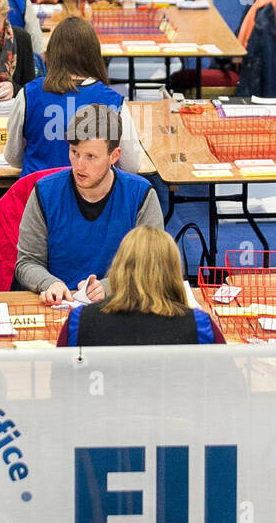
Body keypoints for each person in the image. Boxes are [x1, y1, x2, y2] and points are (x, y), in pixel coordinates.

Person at [13, 103, 164, 303]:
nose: (79, 165)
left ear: (114, 156)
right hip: (61, 304)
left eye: (91, 156)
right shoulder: (45, 192)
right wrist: (49, 283)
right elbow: (27, 262)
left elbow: (152, 266)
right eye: (74, 152)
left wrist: (109, 286)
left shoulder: (141, 195)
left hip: (119, 304)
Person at [5, 15, 141, 175]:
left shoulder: (28, 94)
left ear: (53, 53)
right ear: (94, 55)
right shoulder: (113, 101)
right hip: (91, 197)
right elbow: (131, 165)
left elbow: (13, 157)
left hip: (38, 194)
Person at [57, 226, 225, 346]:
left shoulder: (80, 321)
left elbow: (58, 385)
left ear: (118, 267)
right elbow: (232, 387)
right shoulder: (200, 325)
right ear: (173, 271)